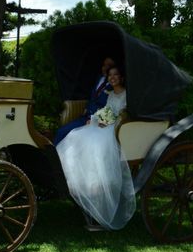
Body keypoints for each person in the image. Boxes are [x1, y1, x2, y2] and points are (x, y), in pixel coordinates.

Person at [56, 66, 135, 231]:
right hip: (106, 124)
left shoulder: (126, 95)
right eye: (110, 75)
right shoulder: (111, 94)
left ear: (121, 78)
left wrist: (109, 121)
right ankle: (79, 185)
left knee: (95, 146)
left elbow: (122, 114)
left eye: (115, 75)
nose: (112, 77)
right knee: (75, 136)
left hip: (116, 128)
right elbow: (107, 111)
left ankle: (99, 192)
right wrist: (97, 118)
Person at [53, 56, 116, 145]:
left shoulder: (114, 86)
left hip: (98, 121)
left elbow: (112, 109)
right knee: (61, 132)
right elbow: (92, 97)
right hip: (86, 116)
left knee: (75, 137)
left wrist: (95, 120)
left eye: (109, 65)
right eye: (104, 65)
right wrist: (86, 108)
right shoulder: (99, 78)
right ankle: (54, 156)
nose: (105, 68)